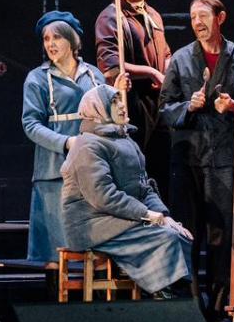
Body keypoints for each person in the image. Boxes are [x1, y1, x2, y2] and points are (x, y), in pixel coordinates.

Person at [59, 85, 194, 298]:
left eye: (120, 100)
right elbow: (103, 196)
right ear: (98, 109)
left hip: (119, 217)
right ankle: (163, 294)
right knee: (165, 238)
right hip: (93, 222)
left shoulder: (125, 140)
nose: (122, 105)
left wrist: (164, 215)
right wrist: (146, 214)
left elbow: (144, 187)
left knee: (178, 233)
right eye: (114, 102)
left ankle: (175, 295)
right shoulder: (87, 146)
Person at [160, 0, 234, 322]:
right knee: (189, 235)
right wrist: (187, 107)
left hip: (224, 157)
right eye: (193, 17)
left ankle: (220, 309)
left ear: (220, 17)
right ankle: (192, 309)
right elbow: (165, 108)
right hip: (188, 158)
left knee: (221, 236)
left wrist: (232, 106)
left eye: (203, 16)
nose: (197, 23)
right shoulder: (181, 59)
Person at [20, 10, 110, 266]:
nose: (50, 44)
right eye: (46, 39)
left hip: (90, 168)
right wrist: (65, 142)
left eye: (57, 37)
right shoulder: (37, 79)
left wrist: (115, 96)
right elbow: (30, 124)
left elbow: (107, 117)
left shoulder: (93, 75)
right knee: (56, 252)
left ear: (72, 40)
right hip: (55, 170)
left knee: (91, 251)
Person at [94, 0, 171, 193]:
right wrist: (150, 72)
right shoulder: (111, 17)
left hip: (159, 103)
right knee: (137, 168)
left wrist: (166, 71)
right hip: (132, 103)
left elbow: (165, 52)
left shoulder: (153, 15)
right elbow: (110, 65)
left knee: (161, 167)